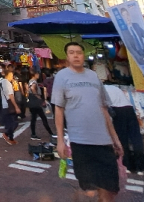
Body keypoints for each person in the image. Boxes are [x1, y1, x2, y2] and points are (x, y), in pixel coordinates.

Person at [54, 42, 123, 202]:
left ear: (83, 55)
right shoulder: (62, 77)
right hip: (80, 141)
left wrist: (115, 139)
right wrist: (60, 141)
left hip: (103, 141)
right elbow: (59, 109)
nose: (76, 55)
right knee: (89, 191)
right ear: (67, 57)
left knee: (109, 190)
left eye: (79, 52)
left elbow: (104, 109)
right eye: (72, 52)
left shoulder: (93, 76)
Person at [105, 83, 144, 173]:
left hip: (117, 111)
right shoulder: (114, 88)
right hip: (129, 108)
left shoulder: (100, 90)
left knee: (122, 139)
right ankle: (141, 166)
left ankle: (127, 165)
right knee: (136, 137)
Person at [28, 67, 54, 140]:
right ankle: (50, 132)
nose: (38, 75)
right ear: (35, 74)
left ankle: (33, 134)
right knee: (42, 117)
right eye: (37, 74)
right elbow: (32, 88)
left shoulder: (30, 81)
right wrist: (37, 96)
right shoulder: (33, 81)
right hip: (35, 102)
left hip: (32, 102)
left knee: (34, 119)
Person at [0, 68, 21, 145]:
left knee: (10, 122)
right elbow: (10, 96)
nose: (12, 77)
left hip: (4, 105)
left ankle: (11, 138)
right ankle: (7, 134)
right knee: (14, 122)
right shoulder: (7, 83)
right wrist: (16, 106)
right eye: (11, 75)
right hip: (9, 105)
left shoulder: (2, 82)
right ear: (8, 75)